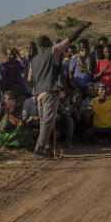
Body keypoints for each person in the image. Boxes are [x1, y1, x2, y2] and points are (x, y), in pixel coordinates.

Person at [29, 23, 91, 157]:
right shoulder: (54, 50)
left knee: (44, 123)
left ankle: (45, 148)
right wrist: (82, 27)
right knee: (47, 122)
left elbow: (30, 79)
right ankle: (39, 149)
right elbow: (71, 38)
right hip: (50, 92)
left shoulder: (34, 60)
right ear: (47, 42)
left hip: (38, 95)